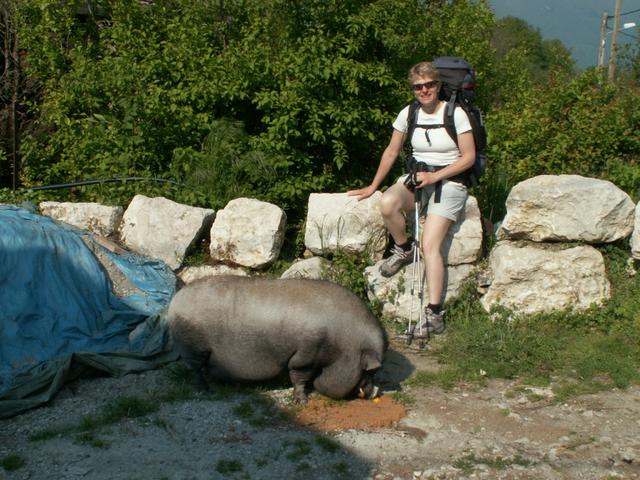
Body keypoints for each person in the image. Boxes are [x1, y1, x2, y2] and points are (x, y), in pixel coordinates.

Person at [347, 61, 475, 336]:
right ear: (413, 89)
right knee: (388, 204)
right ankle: (404, 249)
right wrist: (373, 186)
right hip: (416, 179)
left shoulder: (457, 114)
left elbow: (469, 157)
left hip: (450, 182)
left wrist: (435, 177)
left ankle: (434, 313)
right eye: (418, 86)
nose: (424, 90)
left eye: (430, 84)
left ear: (439, 85)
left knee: (430, 244)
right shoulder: (409, 113)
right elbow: (392, 151)